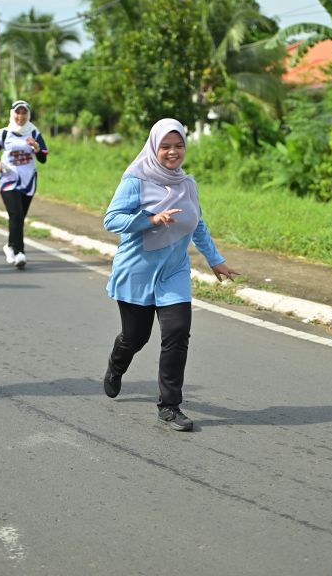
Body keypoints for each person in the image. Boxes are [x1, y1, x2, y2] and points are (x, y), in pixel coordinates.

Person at [103, 118, 239, 432]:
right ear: (154, 147)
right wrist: (150, 219)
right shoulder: (136, 180)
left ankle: (169, 406)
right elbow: (111, 220)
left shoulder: (187, 183)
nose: (172, 152)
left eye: (178, 146)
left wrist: (215, 260)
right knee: (135, 337)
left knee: (177, 333)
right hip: (137, 270)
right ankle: (116, 365)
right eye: (165, 146)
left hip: (174, 272)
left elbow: (197, 223)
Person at [0, 100, 48, 268]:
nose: (20, 116)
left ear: (28, 115)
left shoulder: (34, 132)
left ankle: (10, 245)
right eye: (17, 112)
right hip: (8, 178)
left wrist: (36, 147)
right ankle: (20, 252)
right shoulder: (3, 133)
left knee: (19, 216)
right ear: (12, 114)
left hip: (28, 179)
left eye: (24, 113)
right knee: (16, 214)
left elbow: (43, 158)